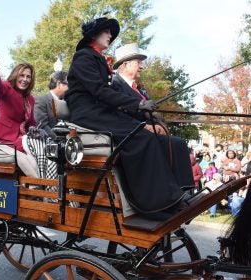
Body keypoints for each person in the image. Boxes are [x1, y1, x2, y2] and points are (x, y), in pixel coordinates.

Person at [65, 17, 193, 214]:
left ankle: (178, 191)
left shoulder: (96, 57)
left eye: (110, 32)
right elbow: (99, 91)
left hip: (102, 112)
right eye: (106, 32)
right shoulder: (84, 57)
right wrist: (138, 103)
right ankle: (152, 202)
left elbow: (105, 94)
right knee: (140, 137)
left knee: (156, 137)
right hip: (88, 114)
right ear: (94, 35)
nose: (110, 36)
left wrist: (141, 107)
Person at [112, 43, 194, 187]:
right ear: (125, 65)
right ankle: (178, 190)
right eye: (139, 62)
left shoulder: (140, 90)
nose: (142, 66)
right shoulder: (115, 85)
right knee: (178, 144)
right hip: (132, 135)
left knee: (177, 142)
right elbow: (119, 112)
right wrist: (144, 127)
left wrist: (158, 121)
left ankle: (181, 190)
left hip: (149, 134)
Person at [0, 50, 39, 177]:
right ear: (16, 75)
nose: (25, 79)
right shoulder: (7, 88)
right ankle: (37, 185)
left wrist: (35, 130)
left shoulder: (30, 99)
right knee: (32, 150)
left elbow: (31, 123)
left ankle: (39, 186)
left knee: (42, 149)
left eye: (28, 77)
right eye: (22, 75)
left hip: (21, 139)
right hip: (4, 138)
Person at [34, 71, 69, 139]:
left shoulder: (66, 102)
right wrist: (58, 140)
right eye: (68, 84)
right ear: (59, 84)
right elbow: (42, 125)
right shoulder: (41, 100)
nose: (70, 88)